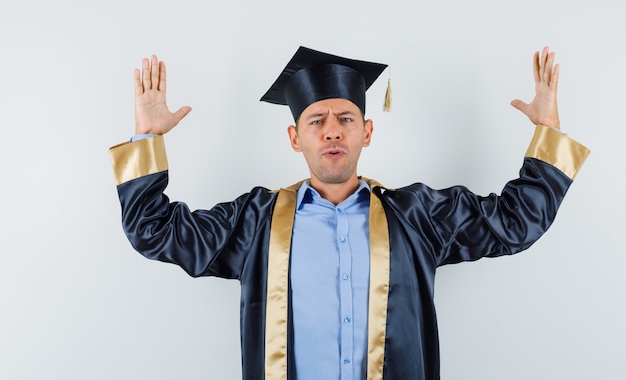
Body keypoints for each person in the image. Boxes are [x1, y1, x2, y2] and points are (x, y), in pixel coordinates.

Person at [109, 46, 589, 380]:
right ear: (295, 138)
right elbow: (154, 231)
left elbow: (515, 221)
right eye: (316, 121)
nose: (332, 132)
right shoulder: (255, 222)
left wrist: (548, 129)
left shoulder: (416, 216)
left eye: (346, 119)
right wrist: (148, 139)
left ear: (368, 131)